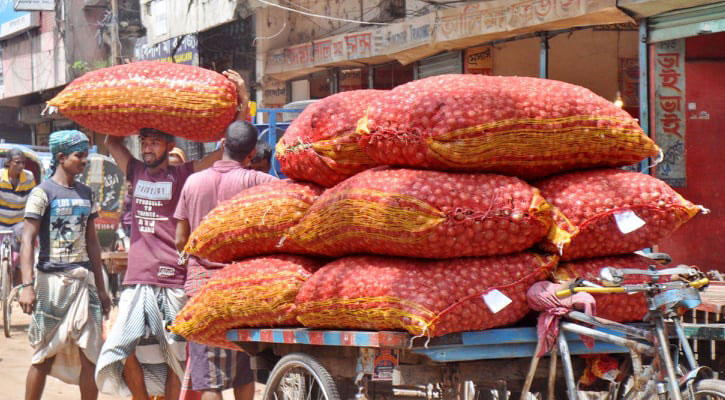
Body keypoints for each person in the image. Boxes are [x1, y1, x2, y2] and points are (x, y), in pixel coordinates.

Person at [96, 69, 249, 400]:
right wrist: (118, 97)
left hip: (175, 279)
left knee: (179, 358)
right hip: (138, 280)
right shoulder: (134, 170)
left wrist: (243, 101)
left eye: (154, 142)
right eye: (144, 142)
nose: (147, 147)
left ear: (169, 145)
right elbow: (110, 140)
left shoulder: (184, 174)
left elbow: (228, 149)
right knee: (120, 347)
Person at [175, 121, 276, 400]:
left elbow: (180, 239)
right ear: (252, 152)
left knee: (210, 380)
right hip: (241, 290)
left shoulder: (193, 182)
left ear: (222, 144)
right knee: (244, 370)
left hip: (201, 290)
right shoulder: (259, 182)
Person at [18, 130, 112, 400]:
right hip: (51, 285)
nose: (84, 160)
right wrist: (27, 286)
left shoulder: (87, 194)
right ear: (61, 157)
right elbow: (27, 241)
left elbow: (92, 243)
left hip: (84, 282)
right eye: (79, 155)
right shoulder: (42, 193)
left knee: (90, 356)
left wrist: (102, 289)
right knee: (43, 357)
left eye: (85, 155)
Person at [0, 148, 35, 253]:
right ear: (8, 162)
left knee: (23, 251)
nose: (21, 166)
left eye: (23, 163)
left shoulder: (29, 177)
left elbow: (32, 200)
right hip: (1, 222)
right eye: (17, 162)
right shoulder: (0, 176)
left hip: (19, 223)